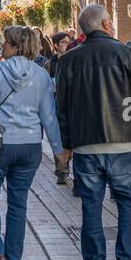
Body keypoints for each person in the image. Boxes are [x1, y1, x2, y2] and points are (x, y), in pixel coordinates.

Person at [55, 4, 131, 260]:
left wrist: (66, 146)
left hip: (86, 146)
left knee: (91, 206)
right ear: (104, 24)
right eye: (111, 22)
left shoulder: (68, 60)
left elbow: (61, 109)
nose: (113, 26)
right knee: (128, 204)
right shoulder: (126, 53)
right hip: (123, 143)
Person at [0, 26, 63, 260]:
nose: (2, 48)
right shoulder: (41, 75)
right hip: (30, 146)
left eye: (5, 44)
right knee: (18, 202)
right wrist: (58, 151)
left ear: (14, 45)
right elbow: (49, 117)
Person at [46, 31, 73, 185]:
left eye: (68, 41)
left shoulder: (75, 60)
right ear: (55, 45)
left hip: (73, 105)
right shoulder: (50, 64)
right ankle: (62, 170)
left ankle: (69, 164)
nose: (66, 44)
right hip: (55, 106)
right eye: (63, 42)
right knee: (59, 138)